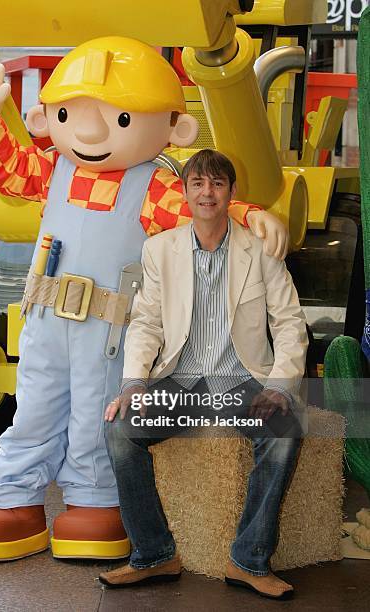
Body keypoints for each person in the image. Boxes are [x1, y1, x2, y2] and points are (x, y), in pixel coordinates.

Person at [0, 38, 289, 562]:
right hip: (44, 320)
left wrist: (249, 215)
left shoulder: (153, 185)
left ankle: (96, 501)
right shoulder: (54, 168)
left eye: (121, 118)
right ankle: (14, 500)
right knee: (33, 408)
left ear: (176, 128)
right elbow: (10, 173)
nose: (88, 131)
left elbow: (201, 210)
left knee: (94, 414)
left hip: (110, 331)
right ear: (46, 117)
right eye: (68, 113)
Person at [100, 149, 308, 600]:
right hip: (181, 382)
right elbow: (147, 322)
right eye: (198, 184)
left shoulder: (261, 250)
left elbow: (290, 323)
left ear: (232, 193)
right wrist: (134, 382)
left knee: (285, 430)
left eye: (217, 184)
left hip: (241, 381)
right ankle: (154, 555)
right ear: (186, 192)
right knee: (119, 429)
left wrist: (277, 387)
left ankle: (248, 560)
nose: (207, 192)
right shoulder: (160, 249)